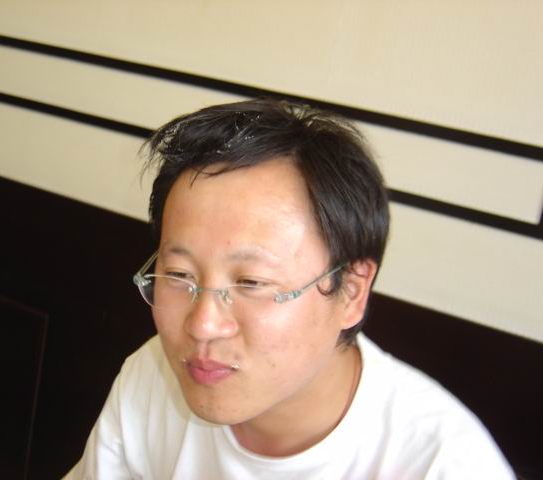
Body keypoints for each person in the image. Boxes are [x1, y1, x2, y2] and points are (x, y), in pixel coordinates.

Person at [65, 99, 514, 479]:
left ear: (351, 291)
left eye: (251, 283)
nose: (202, 326)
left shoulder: (442, 464)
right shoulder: (153, 377)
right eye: (180, 275)